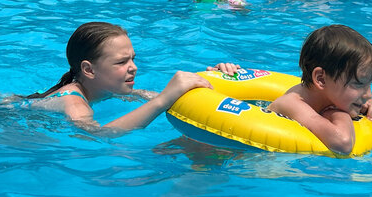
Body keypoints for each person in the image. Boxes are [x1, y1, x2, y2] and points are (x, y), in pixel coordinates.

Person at [24, 20, 239, 136]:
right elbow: (97, 135)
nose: (133, 68)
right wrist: (161, 102)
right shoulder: (75, 104)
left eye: (133, 59)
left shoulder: (108, 89)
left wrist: (216, 79)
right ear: (89, 70)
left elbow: (173, 97)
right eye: (121, 62)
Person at [267, 24, 372, 155]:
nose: (369, 95)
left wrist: (356, 103)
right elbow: (342, 143)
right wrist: (337, 112)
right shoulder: (292, 104)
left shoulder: (325, 95)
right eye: (359, 84)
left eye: (369, 84)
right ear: (321, 79)